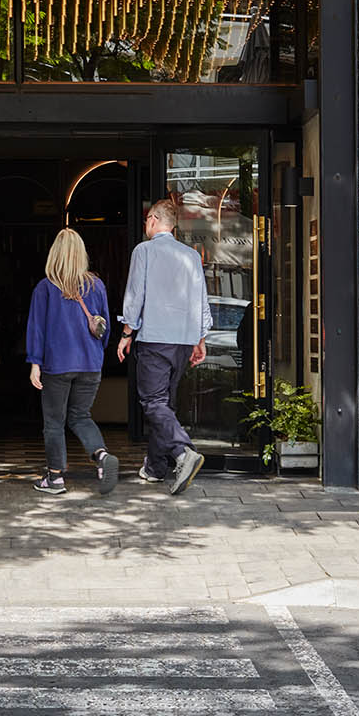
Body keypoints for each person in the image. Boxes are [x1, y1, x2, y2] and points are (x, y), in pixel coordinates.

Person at [118, 196, 212, 495]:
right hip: (183, 340)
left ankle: (183, 453)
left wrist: (126, 332)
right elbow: (201, 299)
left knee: (153, 402)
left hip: (155, 338)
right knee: (164, 403)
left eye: (147, 220)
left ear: (153, 220)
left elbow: (135, 294)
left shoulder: (144, 251)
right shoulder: (191, 256)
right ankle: (155, 468)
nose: (146, 225)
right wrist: (200, 339)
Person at [26, 227, 118, 498]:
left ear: (54, 254)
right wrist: (96, 353)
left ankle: (55, 478)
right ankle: (101, 456)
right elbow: (105, 328)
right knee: (80, 416)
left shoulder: (45, 288)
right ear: (81, 254)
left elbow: (37, 329)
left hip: (57, 365)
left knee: (54, 422)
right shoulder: (96, 286)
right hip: (90, 364)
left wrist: (35, 363)